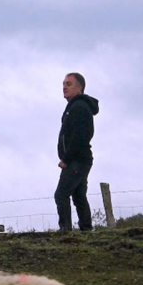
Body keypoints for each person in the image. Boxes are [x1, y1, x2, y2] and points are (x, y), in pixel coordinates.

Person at [55, 72, 99, 233]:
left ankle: (66, 230)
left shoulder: (79, 107)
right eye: (63, 84)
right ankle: (86, 229)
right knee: (79, 196)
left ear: (79, 88)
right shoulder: (75, 106)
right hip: (80, 159)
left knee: (61, 194)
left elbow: (81, 136)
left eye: (69, 84)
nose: (64, 87)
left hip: (77, 160)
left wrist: (66, 159)